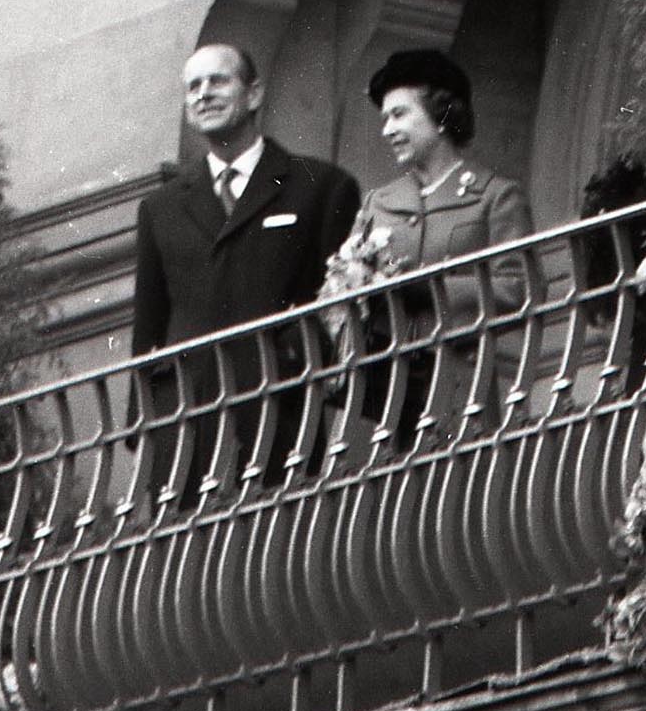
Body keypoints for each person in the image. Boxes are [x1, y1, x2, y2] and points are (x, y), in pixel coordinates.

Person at [131, 43, 359, 494]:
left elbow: (340, 307)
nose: (203, 94)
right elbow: (148, 324)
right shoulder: (160, 208)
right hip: (187, 415)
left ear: (254, 94)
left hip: (282, 401)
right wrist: (143, 424)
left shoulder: (320, 186)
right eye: (193, 87)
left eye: (218, 81)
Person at [346, 49, 533, 442]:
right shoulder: (377, 204)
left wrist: (431, 287)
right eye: (385, 118)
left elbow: (519, 289)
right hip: (386, 395)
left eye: (399, 114)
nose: (387, 129)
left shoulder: (495, 196)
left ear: (443, 112)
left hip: (463, 389)